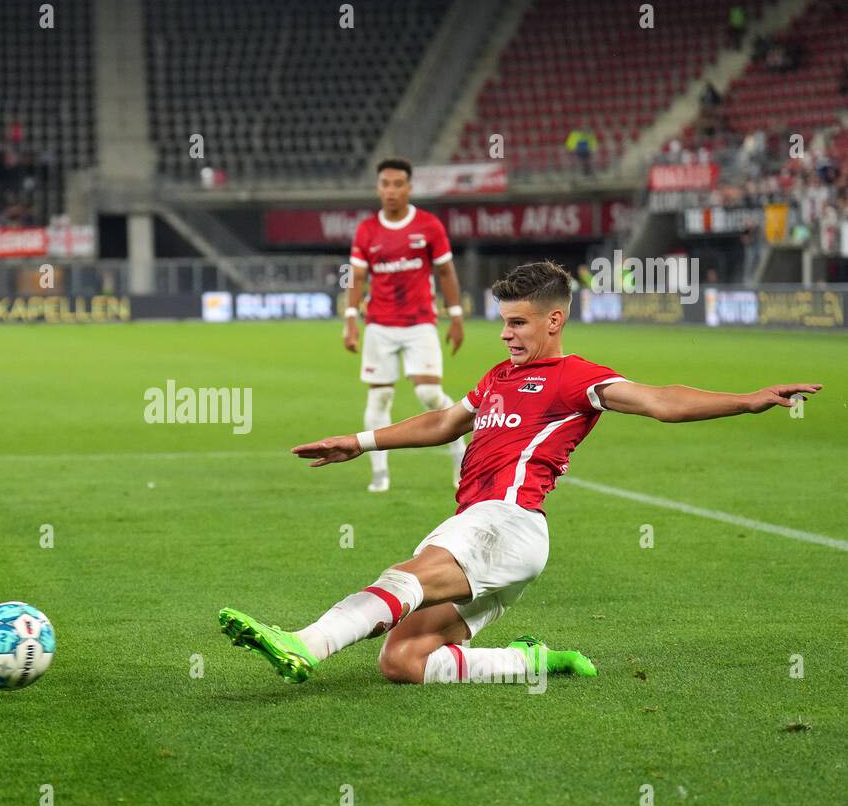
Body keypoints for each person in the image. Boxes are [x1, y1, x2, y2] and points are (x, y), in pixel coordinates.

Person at [219, 261, 820, 686]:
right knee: (402, 660)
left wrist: (747, 399)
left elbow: (661, 400)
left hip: (507, 521)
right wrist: (358, 441)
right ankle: (534, 664)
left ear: (554, 321)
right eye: (503, 323)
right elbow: (443, 424)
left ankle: (305, 644)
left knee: (404, 579)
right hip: (485, 529)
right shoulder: (498, 378)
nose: (506, 334)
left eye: (520, 324)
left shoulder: (577, 377)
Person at [344, 157, 466, 494]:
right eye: (385, 184)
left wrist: (456, 315)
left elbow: (445, 272)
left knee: (428, 393)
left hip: (419, 322)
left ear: (409, 188)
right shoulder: (367, 230)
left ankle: (458, 446)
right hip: (379, 325)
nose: (391, 190)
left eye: (398, 184)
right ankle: (380, 473)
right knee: (379, 398)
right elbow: (356, 277)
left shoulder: (429, 226)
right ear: (378, 187)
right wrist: (350, 320)